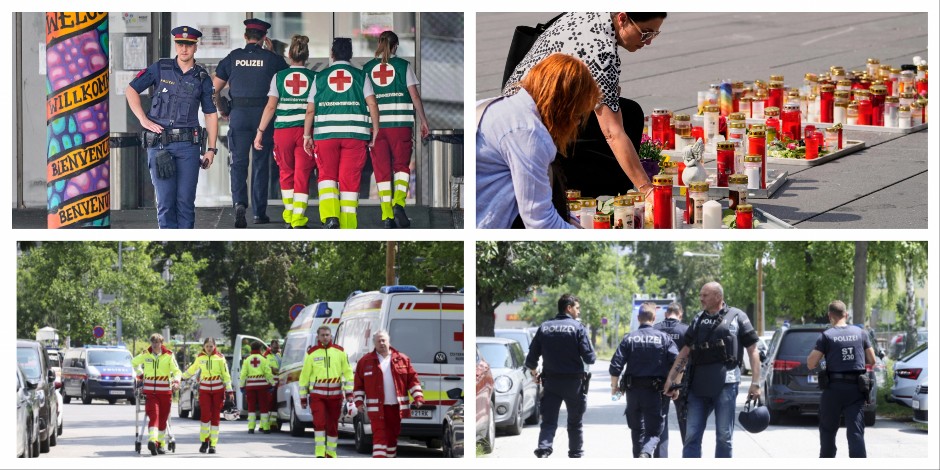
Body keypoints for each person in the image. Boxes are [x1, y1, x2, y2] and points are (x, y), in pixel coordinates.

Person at [503, 12, 667, 202]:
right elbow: (612, 133)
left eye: (654, 35)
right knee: (627, 119)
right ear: (622, 19)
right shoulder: (601, 51)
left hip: (516, 100)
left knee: (627, 111)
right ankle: (610, 202)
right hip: (532, 122)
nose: (648, 42)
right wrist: (646, 188)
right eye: (645, 33)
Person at [477, 54, 601, 228]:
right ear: (563, 106)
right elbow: (541, 223)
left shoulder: (499, 107)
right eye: (578, 114)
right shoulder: (529, 134)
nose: (578, 122)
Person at [126, 26, 218, 229]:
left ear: (195, 47)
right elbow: (131, 89)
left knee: (185, 203)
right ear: (175, 45)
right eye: (180, 44)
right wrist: (143, 119)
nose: (184, 49)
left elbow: (211, 114)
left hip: (188, 147)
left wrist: (211, 149)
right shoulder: (160, 68)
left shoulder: (202, 78)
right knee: (165, 203)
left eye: (189, 45)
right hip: (160, 145)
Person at [663, 282, 761, 458]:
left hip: (726, 383)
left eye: (705, 295)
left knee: (724, 436)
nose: (701, 299)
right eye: (701, 295)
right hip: (698, 384)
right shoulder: (698, 318)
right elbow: (685, 350)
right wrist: (671, 378)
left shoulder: (737, 316)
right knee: (691, 435)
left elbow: (753, 350)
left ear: (718, 296)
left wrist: (755, 383)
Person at [213, 18, 288, 228]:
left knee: (238, 164)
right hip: (263, 116)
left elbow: (214, 89)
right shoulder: (272, 59)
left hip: (239, 115)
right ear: (264, 38)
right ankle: (259, 213)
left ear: (246, 37)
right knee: (260, 165)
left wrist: (222, 109)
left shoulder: (233, 57)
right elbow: (289, 78)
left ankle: (239, 203)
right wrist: (274, 54)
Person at [303, 38, 380, 229]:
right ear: (351, 54)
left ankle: (330, 217)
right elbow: (372, 104)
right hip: (355, 136)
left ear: (332, 54)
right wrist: (376, 129)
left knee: (327, 175)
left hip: (326, 135)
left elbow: (310, 110)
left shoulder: (319, 77)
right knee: (350, 177)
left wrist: (306, 135)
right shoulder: (361, 76)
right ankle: (348, 223)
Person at [363, 30, 430, 229]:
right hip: (400, 125)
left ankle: (387, 216)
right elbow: (415, 97)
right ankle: (399, 202)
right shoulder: (403, 66)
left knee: (381, 171)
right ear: (395, 46)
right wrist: (423, 121)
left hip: (376, 128)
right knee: (401, 167)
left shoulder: (367, 68)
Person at [254, 35, 317, 228]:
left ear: (289, 55)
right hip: (305, 132)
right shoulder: (315, 77)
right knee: (302, 174)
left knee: (286, 173)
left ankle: (289, 216)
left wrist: (260, 132)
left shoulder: (279, 77)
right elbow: (311, 109)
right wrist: (308, 135)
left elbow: (271, 107)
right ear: (306, 56)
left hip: (283, 132)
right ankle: (298, 217)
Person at [525, 294, 596, 458]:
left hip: (551, 383)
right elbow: (590, 358)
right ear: (569, 308)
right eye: (577, 308)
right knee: (575, 422)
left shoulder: (544, 327)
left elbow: (531, 358)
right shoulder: (578, 328)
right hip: (573, 383)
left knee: (548, 421)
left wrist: (535, 374)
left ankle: (544, 450)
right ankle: (575, 453)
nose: (579, 312)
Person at [807, 300, 876, 458]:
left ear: (830, 316)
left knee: (828, 431)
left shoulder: (827, 336)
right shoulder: (861, 333)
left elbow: (811, 363)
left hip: (834, 390)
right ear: (846, 314)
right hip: (856, 391)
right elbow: (872, 360)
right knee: (856, 433)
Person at [610, 302, 678, 458]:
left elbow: (615, 366)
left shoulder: (629, 338)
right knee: (654, 432)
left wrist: (614, 387)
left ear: (638, 318)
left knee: (637, 430)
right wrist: (672, 384)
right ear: (654, 318)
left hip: (633, 392)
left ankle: (639, 457)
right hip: (655, 393)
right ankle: (646, 453)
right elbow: (678, 361)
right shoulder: (663, 338)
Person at [353, 330, 424, 458]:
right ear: (374, 343)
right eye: (378, 341)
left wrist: (418, 397)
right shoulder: (365, 361)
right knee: (379, 438)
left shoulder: (402, 359)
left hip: (396, 407)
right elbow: (358, 385)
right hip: (376, 409)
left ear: (388, 341)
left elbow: (412, 380)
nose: (381, 343)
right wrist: (358, 402)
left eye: (383, 340)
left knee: (392, 438)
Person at [299, 326, 353, 457]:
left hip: (336, 396)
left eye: (327, 335)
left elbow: (348, 373)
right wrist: (302, 397)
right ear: (318, 337)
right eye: (322, 335)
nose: (325, 337)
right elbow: (304, 376)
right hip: (317, 396)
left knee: (333, 424)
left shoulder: (339, 352)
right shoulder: (312, 353)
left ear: (331, 336)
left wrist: (349, 392)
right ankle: (319, 452)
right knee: (319, 422)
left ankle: (331, 452)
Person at [131, 333, 181, 455]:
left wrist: (176, 381)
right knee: (154, 416)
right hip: (151, 393)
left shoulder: (168, 355)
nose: (155, 344)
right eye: (153, 342)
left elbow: (177, 371)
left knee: (163, 419)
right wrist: (140, 374)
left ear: (161, 343)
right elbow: (134, 362)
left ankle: (160, 444)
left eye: (157, 342)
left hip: (165, 393)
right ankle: (152, 441)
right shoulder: (146, 354)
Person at [181, 337, 233, 454]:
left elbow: (226, 375)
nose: (209, 348)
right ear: (204, 346)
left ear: (215, 346)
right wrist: (182, 377)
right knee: (205, 416)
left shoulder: (220, 358)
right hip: (204, 391)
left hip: (218, 391)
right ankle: (204, 442)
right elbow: (192, 369)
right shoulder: (200, 358)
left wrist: (229, 390)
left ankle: (213, 444)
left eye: (211, 346)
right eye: (207, 346)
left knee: (215, 417)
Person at [653, 302, 689, 457]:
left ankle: (661, 459)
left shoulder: (655, 329)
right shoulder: (686, 330)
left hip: (659, 381)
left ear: (667, 314)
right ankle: (690, 455)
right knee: (685, 420)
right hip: (682, 381)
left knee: (660, 421)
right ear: (679, 315)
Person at [239, 341, 275, 434]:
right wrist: (272, 383)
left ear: (251, 349)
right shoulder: (263, 359)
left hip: (250, 386)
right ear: (260, 349)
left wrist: (242, 386)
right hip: (262, 386)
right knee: (264, 406)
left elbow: (243, 374)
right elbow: (268, 373)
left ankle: (251, 428)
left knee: (251, 406)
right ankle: (266, 428)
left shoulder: (247, 360)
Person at [263, 339, 282, 429]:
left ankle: (273, 423)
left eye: (278, 347)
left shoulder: (279, 355)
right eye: (275, 347)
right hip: (270, 383)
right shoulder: (266, 355)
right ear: (270, 346)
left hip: (279, 382)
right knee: (269, 404)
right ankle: (266, 424)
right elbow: (264, 367)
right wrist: (272, 369)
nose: (277, 349)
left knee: (275, 404)